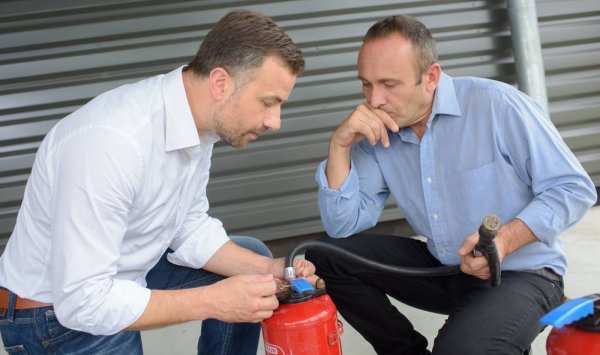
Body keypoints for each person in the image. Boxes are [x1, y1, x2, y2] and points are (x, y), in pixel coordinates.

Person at [0, 11, 316, 355]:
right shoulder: (111, 142)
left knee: (255, 264)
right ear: (221, 83)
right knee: (225, 291)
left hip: (121, 273)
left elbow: (188, 226)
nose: (275, 121)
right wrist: (211, 302)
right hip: (54, 315)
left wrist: (269, 269)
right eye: (268, 102)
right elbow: (82, 301)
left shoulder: (199, 122)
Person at [305, 14, 597, 355]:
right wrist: (339, 146)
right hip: (443, 267)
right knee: (327, 255)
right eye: (366, 84)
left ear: (431, 77)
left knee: (461, 350)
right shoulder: (377, 131)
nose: (375, 100)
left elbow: (573, 189)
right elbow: (342, 227)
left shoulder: (497, 105)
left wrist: (504, 240)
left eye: (389, 84)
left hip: (522, 273)